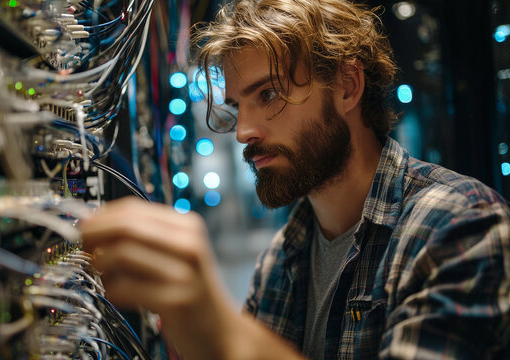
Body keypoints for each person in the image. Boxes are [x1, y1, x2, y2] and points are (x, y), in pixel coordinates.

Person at [82, 0, 510, 359]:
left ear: (347, 85)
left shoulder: (459, 225)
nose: (244, 130)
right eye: (237, 105)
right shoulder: (282, 258)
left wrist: (221, 332)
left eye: (268, 94)